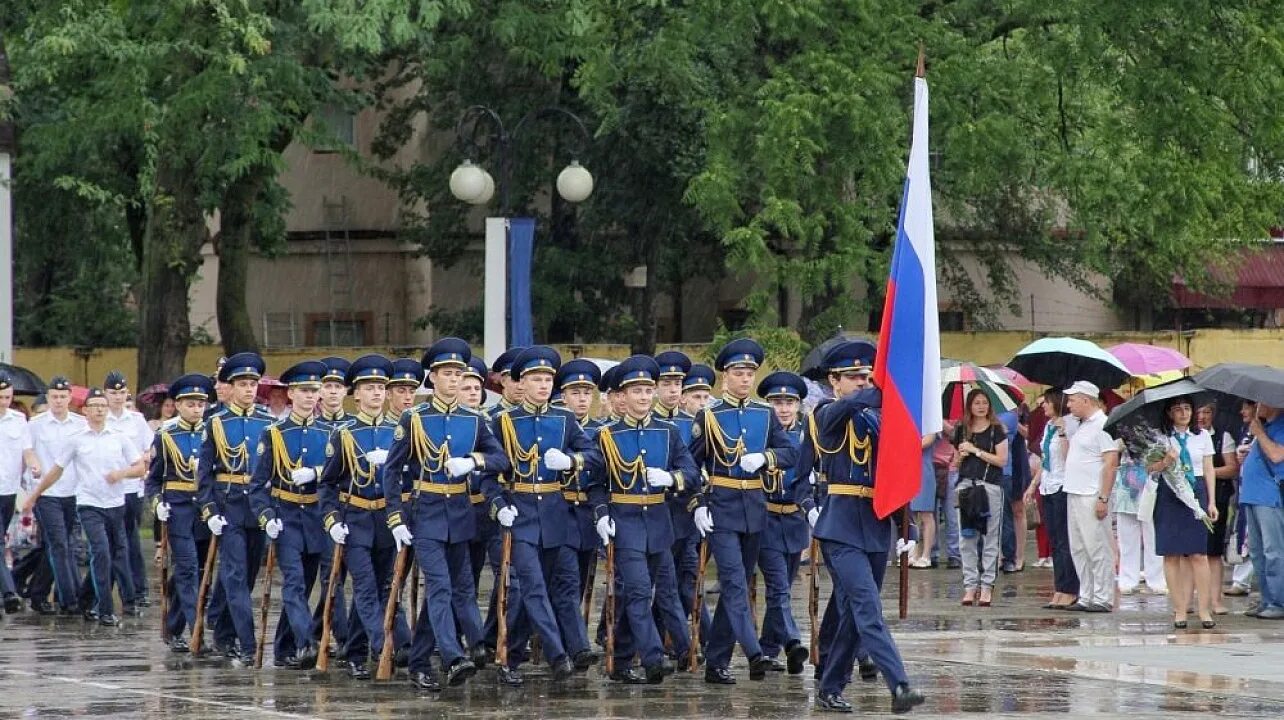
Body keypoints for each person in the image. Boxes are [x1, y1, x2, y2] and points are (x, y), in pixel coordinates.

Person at [385, 339, 509, 690]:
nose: (454, 380)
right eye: (447, 374)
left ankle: (421, 662)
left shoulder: (476, 419)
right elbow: (391, 472)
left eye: (459, 374)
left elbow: (501, 459)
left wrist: (474, 461)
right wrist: (395, 516)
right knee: (439, 586)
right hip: (425, 514)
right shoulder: (415, 418)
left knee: (459, 589)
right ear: (433, 378)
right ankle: (454, 657)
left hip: (460, 513)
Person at [808, 340, 924, 714]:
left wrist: (907, 528)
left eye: (865, 375)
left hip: (874, 527)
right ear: (834, 380)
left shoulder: (875, 420)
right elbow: (842, 411)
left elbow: (890, 476)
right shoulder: (826, 413)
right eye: (853, 377)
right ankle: (900, 684)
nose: (860, 382)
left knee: (853, 616)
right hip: (840, 527)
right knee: (867, 607)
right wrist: (882, 388)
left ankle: (830, 686)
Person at [484, 345, 603, 686]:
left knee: (562, 586)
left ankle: (511, 654)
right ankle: (557, 654)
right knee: (532, 588)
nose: (544, 385)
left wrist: (572, 462)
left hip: (555, 514)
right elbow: (489, 474)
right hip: (519, 514)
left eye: (548, 379)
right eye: (536, 379)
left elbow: (594, 454)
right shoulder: (503, 421)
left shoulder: (564, 419)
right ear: (521, 383)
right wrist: (499, 505)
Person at [688, 338, 797, 685]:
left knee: (741, 584)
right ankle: (754, 653)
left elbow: (789, 453)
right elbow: (691, 466)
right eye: (739, 372)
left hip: (754, 508)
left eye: (750, 372)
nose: (746, 378)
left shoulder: (765, 414)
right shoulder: (709, 416)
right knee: (734, 583)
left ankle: (716, 662)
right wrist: (698, 504)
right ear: (725, 376)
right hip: (721, 508)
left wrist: (765, 458)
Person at [589, 354, 697, 683]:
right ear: (624, 395)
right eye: (636, 392)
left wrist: (672, 479)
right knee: (637, 591)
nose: (643, 398)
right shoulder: (607, 436)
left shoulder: (668, 432)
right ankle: (652, 657)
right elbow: (594, 483)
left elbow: (692, 472)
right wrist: (602, 514)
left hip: (660, 524)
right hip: (625, 523)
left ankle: (621, 659)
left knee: (647, 591)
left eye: (648, 391)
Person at [319, 354, 412, 681]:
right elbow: (328, 483)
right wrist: (332, 520)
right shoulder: (344, 433)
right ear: (355, 394)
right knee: (366, 586)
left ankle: (357, 652)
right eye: (368, 387)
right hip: (356, 518)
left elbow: (410, 476)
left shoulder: (400, 430)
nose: (375, 393)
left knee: (388, 586)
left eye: (380, 387)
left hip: (387, 520)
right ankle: (383, 642)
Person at [23, 388, 148, 626]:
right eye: (95, 406)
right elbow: (56, 470)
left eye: (103, 405)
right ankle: (105, 609)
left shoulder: (118, 436)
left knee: (114, 554)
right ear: (85, 410)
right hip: (89, 504)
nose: (100, 410)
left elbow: (140, 468)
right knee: (100, 552)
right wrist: (34, 495)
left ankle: (92, 599)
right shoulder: (76, 439)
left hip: (116, 504)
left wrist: (121, 473)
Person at [249, 361, 333, 670]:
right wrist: (266, 516)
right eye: (304, 391)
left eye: (315, 391)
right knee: (295, 584)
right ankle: (306, 642)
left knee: (311, 582)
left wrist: (316, 472)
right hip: (286, 514)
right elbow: (258, 484)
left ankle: (284, 646)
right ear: (291, 394)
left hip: (318, 516)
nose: (310, 397)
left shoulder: (330, 431)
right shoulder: (274, 434)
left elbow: (338, 474)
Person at [197, 352, 276, 666]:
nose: (248, 390)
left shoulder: (268, 423)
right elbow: (203, 474)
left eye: (252, 384)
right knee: (234, 574)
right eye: (242, 384)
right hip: (228, 505)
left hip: (257, 506)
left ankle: (225, 633)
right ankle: (247, 642)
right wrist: (209, 510)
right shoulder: (216, 423)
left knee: (248, 577)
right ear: (229, 387)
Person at [751, 370, 812, 673]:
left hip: (795, 521)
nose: (784, 408)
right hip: (767, 519)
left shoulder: (806, 435)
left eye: (790, 401)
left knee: (783, 588)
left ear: (799, 405)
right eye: (777, 402)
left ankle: (768, 648)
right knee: (777, 588)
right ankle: (793, 641)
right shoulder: (759, 433)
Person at [146, 373, 212, 651]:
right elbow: (153, 480)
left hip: (207, 511)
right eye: (190, 404)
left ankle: (172, 627)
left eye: (201, 404)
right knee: (187, 570)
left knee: (200, 571)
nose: (196, 409)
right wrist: (158, 503)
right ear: (179, 405)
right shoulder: (166, 435)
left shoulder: (213, 432)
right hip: (180, 509)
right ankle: (196, 631)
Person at [1150, 395, 1219, 629]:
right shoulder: (1161, 438)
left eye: (1187, 408)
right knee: (1171, 554)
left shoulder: (1202, 436)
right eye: (1178, 409)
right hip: (1169, 493)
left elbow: (1208, 469)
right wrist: (1166, 460)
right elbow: (1150, 469)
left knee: (1199, 553)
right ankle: (1180, 609)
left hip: (1195, 490)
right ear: (1169, 413)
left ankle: (1204, 610)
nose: (1184, 413)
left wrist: (1211, 501)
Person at [26, 376, 86, 615]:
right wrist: (33, 468)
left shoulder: (80, 424)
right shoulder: (36, 424)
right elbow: (27, 451)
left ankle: (39, 592)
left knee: (59, 546)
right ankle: (70, 599)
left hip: (74, 491)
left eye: (63, 397)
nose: (59, 401)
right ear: (48, 398)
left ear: (70, 398)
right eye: (54, 397)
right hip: (47, 492)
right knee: (59, 544)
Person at [1062, 381, 1120, 613]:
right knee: (1079, 547)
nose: (1069, 405)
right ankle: (1086, 594)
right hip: (1074, 490)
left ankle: (1103, 596)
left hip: (1091, 493)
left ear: (1086, 400)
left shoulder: (1103, 425)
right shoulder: (1082, 425)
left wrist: (1103, 497)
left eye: (1072, 400)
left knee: (1097, 546)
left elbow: (1110, 462)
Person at [951, 389, 1009, 607]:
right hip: (966, 487)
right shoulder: (961, 430)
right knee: (966, 538)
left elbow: (1002, 460)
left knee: (990, 538)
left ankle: (987, 586)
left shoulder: (997, 430)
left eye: (985, 403)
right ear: (970, 406)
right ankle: (969, 585)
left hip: (989, 487)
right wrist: (960, 457)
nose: (981, 407)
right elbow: (955, 462)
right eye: (977, 403)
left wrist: (976, 451)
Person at [103, 371, 156, 609]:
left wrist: (143, 458)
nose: (117, 397)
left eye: (121, 392)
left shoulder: (136, 420)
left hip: (131, 487)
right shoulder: (99, 418)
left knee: (130, 540)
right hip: (105, 489)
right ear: (105, 394)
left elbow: (151, 448)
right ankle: (110, 588)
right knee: (110, 542)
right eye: (113, 392)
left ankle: (138, 588)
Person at [1023, 390, 1079, 609]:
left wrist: (1064, 434)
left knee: (1065, 541)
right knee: (1054, 539)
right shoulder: (1048, 426)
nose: (1042, 406)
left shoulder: (1069, 424)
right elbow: (1046, 459)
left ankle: (1070, 589)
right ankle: (1059, 588)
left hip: (1063, 485)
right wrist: (1033, 485)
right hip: (1048, 484)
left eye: (1045, 402)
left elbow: (1069, 459)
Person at [1237, 401, 1284, 619]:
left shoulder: (1279, 427)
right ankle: (1267, 599)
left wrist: (1259, 433)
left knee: (1274, 551)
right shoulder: (1264, 427)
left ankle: (1278, 601)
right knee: (1257, 552)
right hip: (1252, 495)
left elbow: (1276, 455)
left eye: (1260, 402)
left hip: (1269, 497)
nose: (1257, 407)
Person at [0, 371, 39, 613]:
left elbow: (27, 450)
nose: (3, 402)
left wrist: (34, 464)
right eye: (0, 397)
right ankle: (9, 592)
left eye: (7, 397)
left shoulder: (18, 420)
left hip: (8, 489)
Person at [1197, 400, 1240, 615]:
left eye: (1206, 412)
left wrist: (1209, 472)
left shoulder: (1223, 436)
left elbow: (1232, 467)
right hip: (1191, 497)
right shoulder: (1185, 437)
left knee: (1213, 552)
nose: (1202, 417)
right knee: (1189, 552)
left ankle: (1215, 600)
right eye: (1199, 412)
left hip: (1218, 497)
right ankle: (1188, 600)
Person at [1113, 434, 1165, 596]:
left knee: (1153, 536)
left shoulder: (1160, 434)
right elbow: (1113, 451)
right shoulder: (1122, 432)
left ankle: (1156, 579)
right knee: (1127, 537)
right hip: (1127, 486)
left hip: (1152, 486)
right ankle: (1128, 579)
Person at [908, 431, 939, 570]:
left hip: (923, 470)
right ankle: (913, 553)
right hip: (907, 468)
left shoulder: (930, 422)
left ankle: (926, 555)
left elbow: (927, 441)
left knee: (926, 513)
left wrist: (904, 445)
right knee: (911, 515)